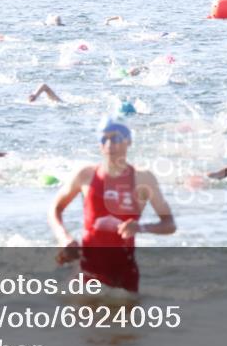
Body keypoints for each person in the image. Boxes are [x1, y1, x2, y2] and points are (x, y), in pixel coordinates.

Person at [48, 118, 176, 293]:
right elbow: (55, 209)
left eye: (115, 138)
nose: (109, 145)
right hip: (86, 268)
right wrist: (64, 238)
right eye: (104, 139)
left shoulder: (143, 178)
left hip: (123, 272)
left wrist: (141, 227)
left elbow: (169, 224)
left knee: (124, 318)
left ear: (128, 141)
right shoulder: (86, 174)